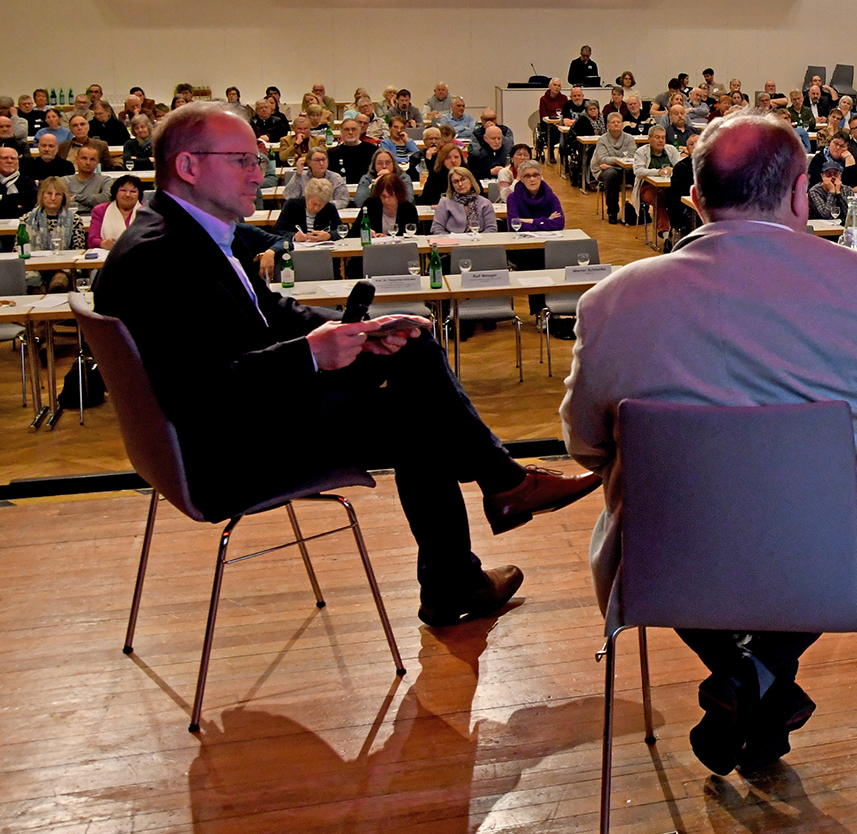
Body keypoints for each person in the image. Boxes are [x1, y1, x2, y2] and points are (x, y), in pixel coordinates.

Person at [92, 102, 598, 627]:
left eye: (255, 157)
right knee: (419, 418)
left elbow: (270, 310)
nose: (257, 171)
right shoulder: (161, 257)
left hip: (249, 413)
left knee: (409, 343)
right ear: (188, 166)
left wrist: (359, 330)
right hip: (225, 451)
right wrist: (313, 353)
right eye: (240, 159)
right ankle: (492, 510)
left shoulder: (187, 233)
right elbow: (201, 392)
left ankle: (494, 509)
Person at [560, 110, 857, 775]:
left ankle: (745, 680)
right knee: (825, 527)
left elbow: (587, 447)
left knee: (683, 531)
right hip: (832, 567)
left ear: (696, 198)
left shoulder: (609, 303)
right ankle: (763, 681)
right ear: (801, 194)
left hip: (666, 567)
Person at [593, 112, 638, 224]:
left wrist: (613, 162)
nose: (616, 124)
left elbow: (633, 156)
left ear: (622, 125)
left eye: (619, 122)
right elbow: (602, 159)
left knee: (638, 175)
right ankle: (612, 211)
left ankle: (640, 208)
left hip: (625, 169)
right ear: (608, 126)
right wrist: (619, 161)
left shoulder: (630, 139)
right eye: (613, 122)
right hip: (603, 170)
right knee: (611, 174)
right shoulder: (602, 140)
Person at [86, 174, 145, 250]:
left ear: (139, 195)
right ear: (115, 192)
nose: (127, 195)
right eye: (123, 190)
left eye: (133, 191)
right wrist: (103, 243)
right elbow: (91, 240)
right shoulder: (100, 210)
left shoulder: (148, 211)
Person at [432, 167, 498, 235]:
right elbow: (437, 228)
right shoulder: (445, 203)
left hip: (479, 242)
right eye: (456, 182)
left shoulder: (485, 203)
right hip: (452, 242)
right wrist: (450, 240)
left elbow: (491, 228)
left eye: (463, 180)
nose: (460, 184)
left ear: (471, 181)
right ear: (452, 185)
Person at [276, 177, 344, 242]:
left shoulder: (330, 207)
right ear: (306, 197)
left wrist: (329, 235)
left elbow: (340, 230)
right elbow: (278, 231)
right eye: (314, 204)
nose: (316, 208)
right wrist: (293, 236)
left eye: (320, 205)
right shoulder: (291, 205)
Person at [23, 177, 79, 254]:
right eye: (49, 193)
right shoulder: (27, 219)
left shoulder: (75, 220)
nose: (53, 198)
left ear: (63, 197)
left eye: (58, 194)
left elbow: (78, 252)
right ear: (42, 195)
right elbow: (18, 249)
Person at [506, 161, 565, 231]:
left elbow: (559, 223)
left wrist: (531, 221)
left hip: (548, 239)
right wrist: (546, 222)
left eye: (535, 175)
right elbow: (513, 225)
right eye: (527, 176)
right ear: (521, 179)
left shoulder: (551, 197)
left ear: (541, 176)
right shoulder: (513, 198)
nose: (532, 179)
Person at [286, 148, 350, 209]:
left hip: (328, 212)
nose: (321, 163)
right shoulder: (301, 176)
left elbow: (343, 200)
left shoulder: (335, 178)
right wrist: (298, 175)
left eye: (323, 159)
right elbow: (289, 196)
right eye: (317, 160)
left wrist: (322, 206)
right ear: (309, 162)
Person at [361, 171, 419, 237]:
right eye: (383, 196)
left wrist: (387, 237)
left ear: (398, 195)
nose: (386, 200)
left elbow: (414, 235)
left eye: (391, 196)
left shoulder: (408, 209)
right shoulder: (371, 204)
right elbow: (354, 232)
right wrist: (366, 232)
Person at [62, 140, 113, 214]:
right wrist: (92, 203)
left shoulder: (105, 180)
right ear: (76, 160)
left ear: (97, 162)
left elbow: (107, 198)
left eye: (92, 159)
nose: (88, 163)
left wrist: (76, 198)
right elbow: (60, 202)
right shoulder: (64, 181)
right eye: (84, 158)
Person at [329, 117, 379, 188]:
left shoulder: (372, 149)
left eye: (353, 129)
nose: (350, 132)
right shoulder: (332, 153)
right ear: (341, 132)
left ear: (359, 131)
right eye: (346, 129)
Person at [0, 145, 30, 219]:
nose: (9, 161)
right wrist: (18, 203)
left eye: (13, 158)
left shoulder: (27, 181)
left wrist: (2, 198)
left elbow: (31, 198)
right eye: (5, 158)